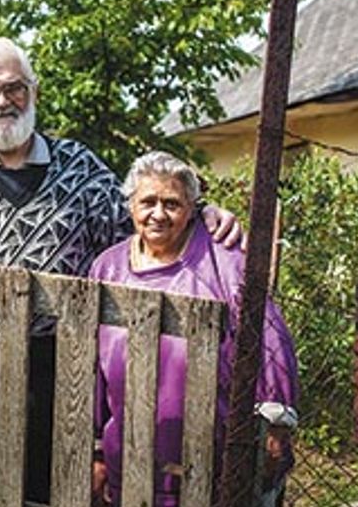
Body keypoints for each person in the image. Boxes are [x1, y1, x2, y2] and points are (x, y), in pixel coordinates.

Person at [0, 37, 243, 500]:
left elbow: (142, 221)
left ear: (34, 92)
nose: (2, 100)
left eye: (15, 87)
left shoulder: (78, 166)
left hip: (66, 363)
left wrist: (202, 214)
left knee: (61, 488)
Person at [90, 151, 300, 507]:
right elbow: (91, 366)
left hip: (209, 452)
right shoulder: (106, 268)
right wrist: (95, 446)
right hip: (128, 451)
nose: (158, 214)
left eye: (171, 203)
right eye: (148, 202)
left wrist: (276, 420)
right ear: (130, 206)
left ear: (192, 208)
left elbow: (268, 335)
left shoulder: (224, 259)